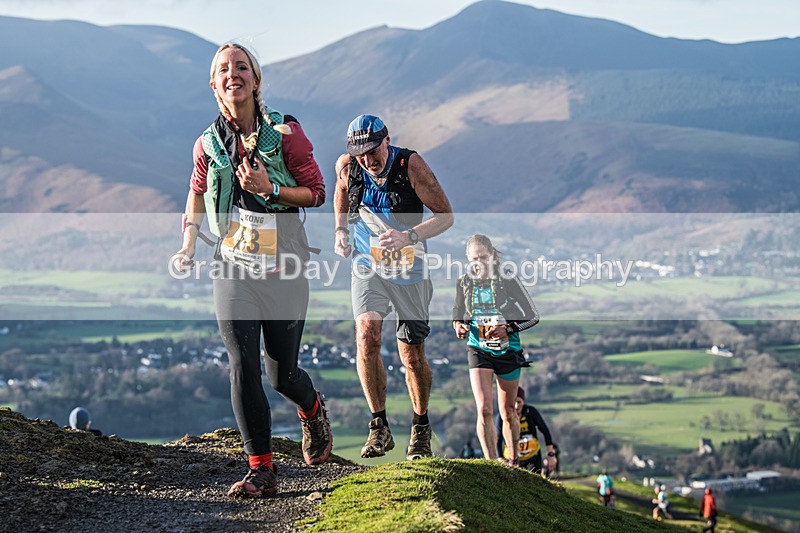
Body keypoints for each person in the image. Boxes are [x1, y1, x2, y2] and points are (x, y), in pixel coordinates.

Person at [174, 43, 331, 498]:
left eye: (241, 67)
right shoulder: (206, 143)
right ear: (213, 84)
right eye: (223, 69)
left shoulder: (286, 133)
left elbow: (316, 191)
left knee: (283, 376)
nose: (232, 74)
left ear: (256, 80)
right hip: (232, 266)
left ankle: (313, 408)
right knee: (242, 365)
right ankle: (261, 469)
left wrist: (271, 187)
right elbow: (198, 193)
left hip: (283, 265)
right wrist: (188, 244)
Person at [333, 114, 453, 460]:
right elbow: (342, 194)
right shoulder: (348, 166)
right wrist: (340, 231)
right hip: (367, 264)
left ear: (387, 141)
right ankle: (379, 426)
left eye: (373, 151)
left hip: (410, 270)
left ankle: (420, 428)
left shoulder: (410, 165)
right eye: (361, 154)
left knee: (411, 355)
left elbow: (446, 215)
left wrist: (409, 235)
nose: (368, 160)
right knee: (366, 335)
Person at [453, 234, 540, 465]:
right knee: (483, 409)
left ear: (491, 256)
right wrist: (459, 326)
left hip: (507, 351)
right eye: (473, 258)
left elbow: (533, 316)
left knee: (508, 410)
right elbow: (457, 313)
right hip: (478, 348)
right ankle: (492, 463)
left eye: (482, 257)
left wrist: (508, 328)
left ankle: (513, 461)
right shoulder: (464, 282)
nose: (478, 262)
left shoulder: (507, 280)